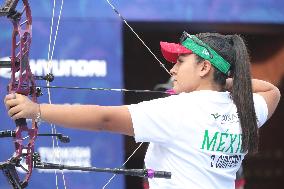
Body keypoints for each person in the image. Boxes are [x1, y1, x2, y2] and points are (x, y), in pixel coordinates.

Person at [4, 32, 281, 189]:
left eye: (181, 61)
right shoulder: (245, 109)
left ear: (204, 67)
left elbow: (104, 119)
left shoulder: (178, 109)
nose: (172, 69)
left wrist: (36, 109)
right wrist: (224, 83)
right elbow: (272, 91)